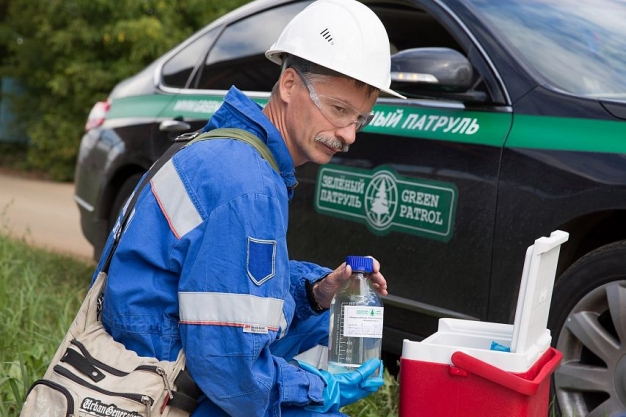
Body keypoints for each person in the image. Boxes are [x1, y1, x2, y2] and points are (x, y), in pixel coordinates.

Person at [93, 0, 404, 415]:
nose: (348, 134)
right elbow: (231, 371)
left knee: (322, 322)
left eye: (361, 119)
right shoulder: (247, 183)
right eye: (339, 110)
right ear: (289, 85)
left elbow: (225, 286)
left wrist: (315, 293)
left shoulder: (233, 152)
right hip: (158, 389)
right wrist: (318, 389)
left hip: (139, 355)